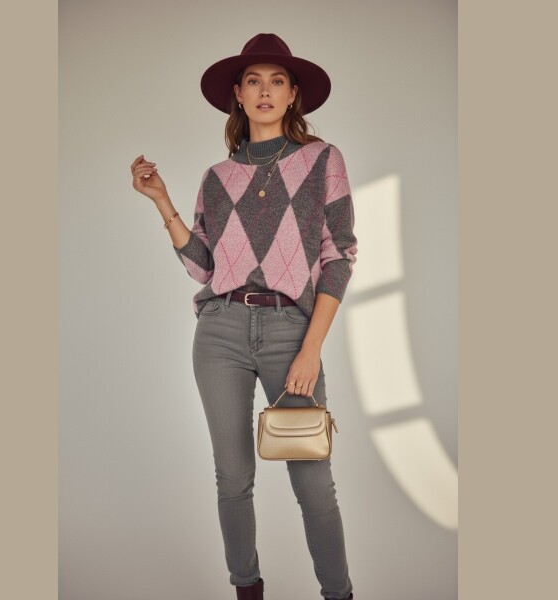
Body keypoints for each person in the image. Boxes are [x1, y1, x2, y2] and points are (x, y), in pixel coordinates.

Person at [130, 33, 357, 600]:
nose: (265, 91)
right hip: (221, 332)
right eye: (254, 81)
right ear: (237, 93)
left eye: (277, 81)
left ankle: (339, 594)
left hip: (291, 332)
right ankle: (247, 591)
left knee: (314, 483)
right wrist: (162, 201)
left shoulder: (322, 160)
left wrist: (311, 349)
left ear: (293, 94)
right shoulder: (217, 177)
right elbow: (203, 267)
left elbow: (338, 257)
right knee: (232, 480)